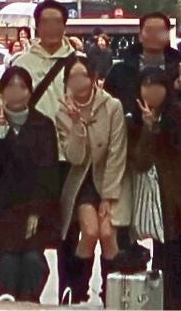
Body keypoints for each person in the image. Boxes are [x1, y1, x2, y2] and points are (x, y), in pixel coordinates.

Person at [0, 67, 64, 302]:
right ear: (1, 92)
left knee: (33, 260)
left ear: (29, 92)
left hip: (36, 207)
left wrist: (37, 211)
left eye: (22, 87)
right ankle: (8, 303)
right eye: (10, 86)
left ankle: (29, 303)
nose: (16, 92)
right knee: (7, 262)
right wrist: (1, 136)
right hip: (3, 209)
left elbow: (48, 171)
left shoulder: (43, 125)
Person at [125, 67, 181, 309]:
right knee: (166, 272)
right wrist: (149, 129)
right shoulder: (134, 121)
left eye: (157, 85)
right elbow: (140, 162)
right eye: (146, 85)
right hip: (160, 208)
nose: (152, 91)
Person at [54, 59, 126, 304]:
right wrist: (77, 124)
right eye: (72, 78)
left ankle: (112, 296)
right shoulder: (62, 112)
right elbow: (75, 157)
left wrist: (109, 196)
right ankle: (77, 294)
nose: (78, 83)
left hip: (110, 178)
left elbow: (117, 152)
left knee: (108, 234)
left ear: (93, 78)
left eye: (82, 76)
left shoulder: (112, 106)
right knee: (90, 231)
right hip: (81, 182)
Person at [105, 12, 181, 118]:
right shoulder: (120, 71)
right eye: (149, 30)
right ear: (140, 36)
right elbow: (108, 108)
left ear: (167, 36)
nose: (154, 35)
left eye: (160, 31)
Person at [9, 0, 82, 120]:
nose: (51, 28)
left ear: (64, 27)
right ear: (37, 27)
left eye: (57, 22)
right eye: (46, 22)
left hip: (71, 129)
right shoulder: (21, 65)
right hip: (32, 130)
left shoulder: (80, 64)